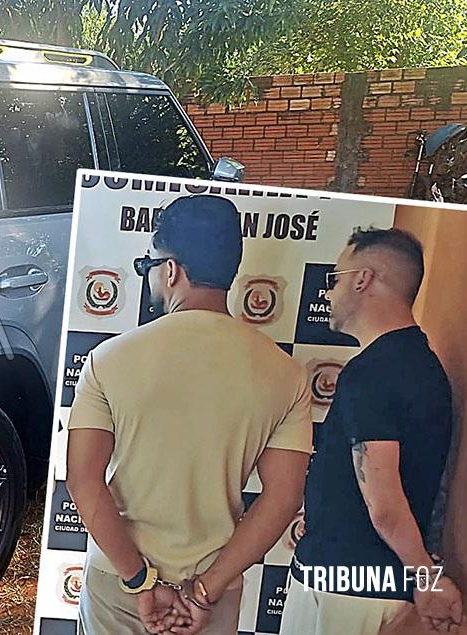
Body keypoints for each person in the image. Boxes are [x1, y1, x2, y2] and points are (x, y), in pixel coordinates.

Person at [66, 194, 313, 635]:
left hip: (118, 584)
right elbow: (283, 498)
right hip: (212, 589)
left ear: (171, 269)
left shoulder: (108, 360)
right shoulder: (287, 375)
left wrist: (140, 580)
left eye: (150, 268)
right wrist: (205, 591)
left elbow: (84, 482)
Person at [282, 227, 462, 635]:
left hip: (341, 593)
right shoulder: (416, 362)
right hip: (362, 587)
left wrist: (428, 579)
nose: (328, 292)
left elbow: (384, 503)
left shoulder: (375, 372)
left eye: (336, 278)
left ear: (363, 279)